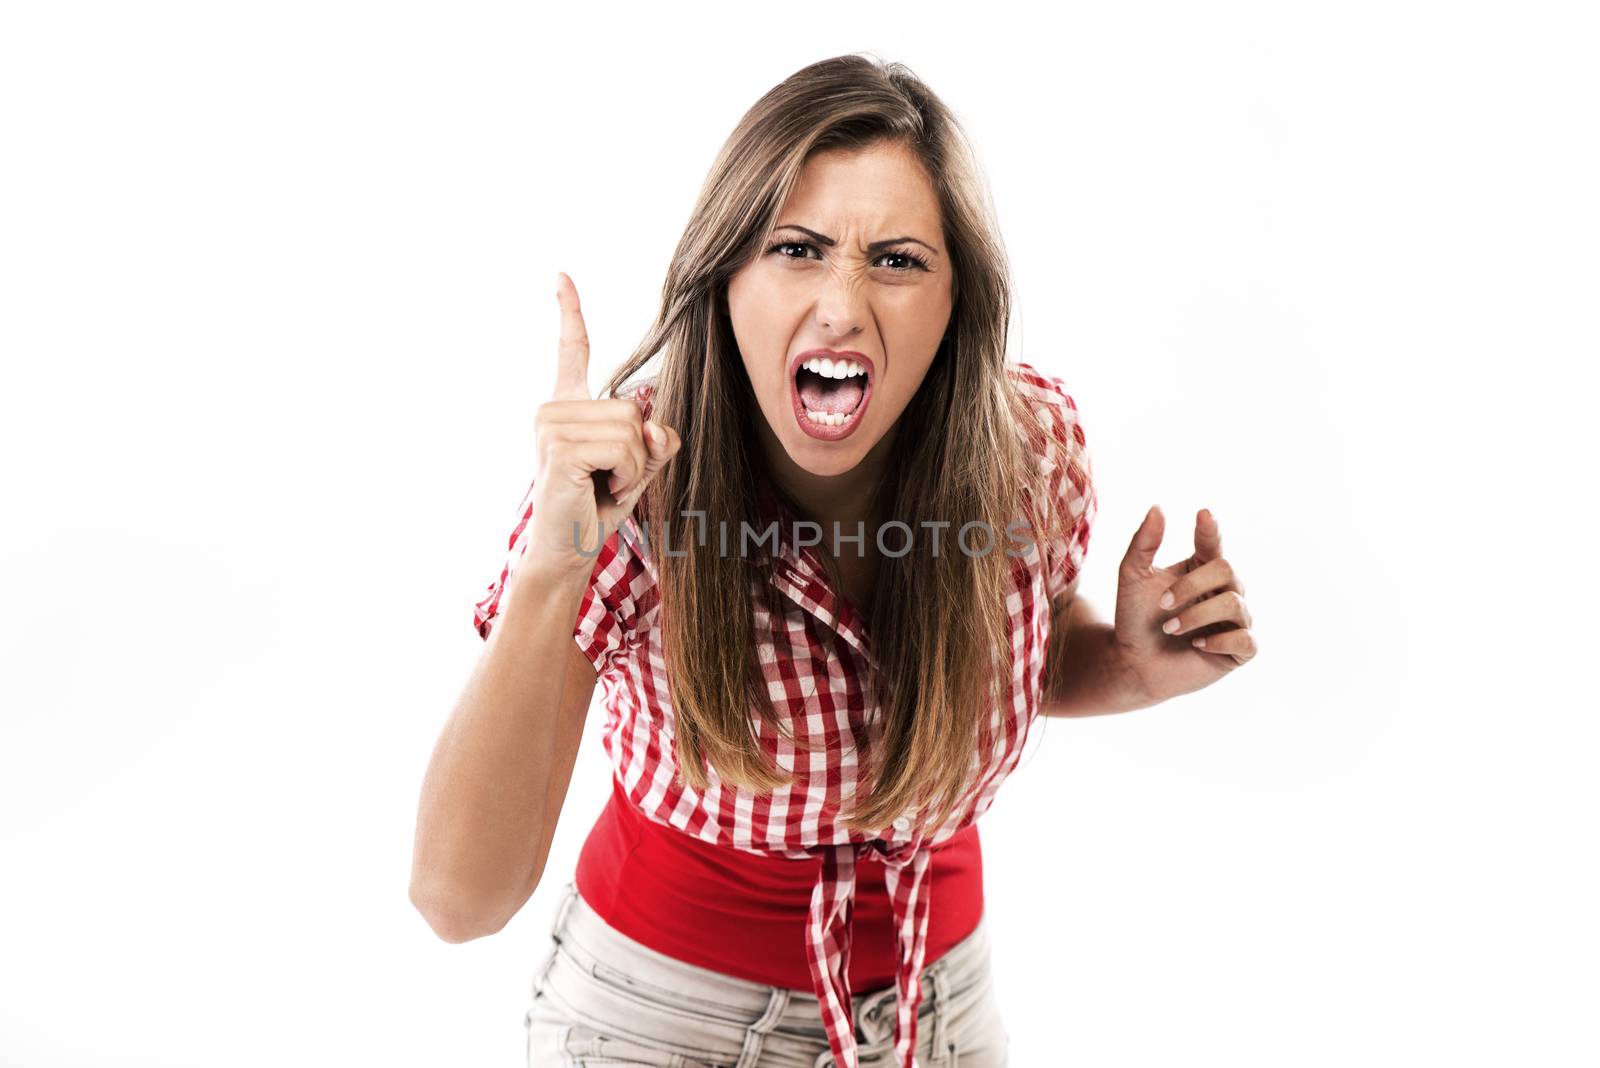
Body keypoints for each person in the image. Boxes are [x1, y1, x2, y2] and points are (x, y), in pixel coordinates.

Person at [410, 53, 1258, 1068]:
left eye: (897, 260)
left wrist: (1120, 665)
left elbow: (1010, 661)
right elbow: (456, 901)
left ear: (958, 303)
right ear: (724, 278)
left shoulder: (1027, 455)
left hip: (939, 1004)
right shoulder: (623, 498)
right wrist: (555, 570)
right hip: (663, 1019)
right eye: (796, 249)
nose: (844, 305)